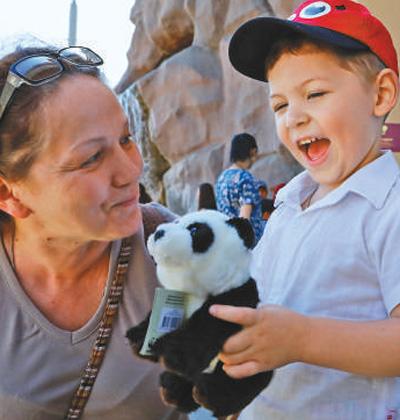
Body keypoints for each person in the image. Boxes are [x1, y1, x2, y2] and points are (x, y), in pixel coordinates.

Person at [209, 1, 400, 419]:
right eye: (280, 105)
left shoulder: (390, 207)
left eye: (314, 94)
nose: (293, 118)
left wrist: (302, 339)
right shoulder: (289, 204)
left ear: (381, 94)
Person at [0, 43, 184, 419]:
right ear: (9, 193)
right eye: (92, 158)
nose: (131, 172)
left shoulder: (173, 247)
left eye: (126, 139)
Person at [215, 133, 265, 243]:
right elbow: (244, 218)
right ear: (252, 152)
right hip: (248, 242)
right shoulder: (245, 178)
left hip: (227, 239)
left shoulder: (221, 178)